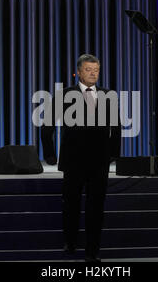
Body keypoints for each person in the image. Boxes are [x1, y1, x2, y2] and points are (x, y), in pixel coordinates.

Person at [41, 54, 121, 262]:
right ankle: (70, 241)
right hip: (73, 160)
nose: (93, 73)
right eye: (88, 69)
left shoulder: (108, 95)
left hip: (99, 161)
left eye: (96, 70)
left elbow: (117, 127)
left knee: (96, 207)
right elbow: (47, 125)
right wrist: (49, 153)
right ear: (78, 71)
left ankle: (92, 251)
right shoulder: (65, 95)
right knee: (71, 204)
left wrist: (115, 153)